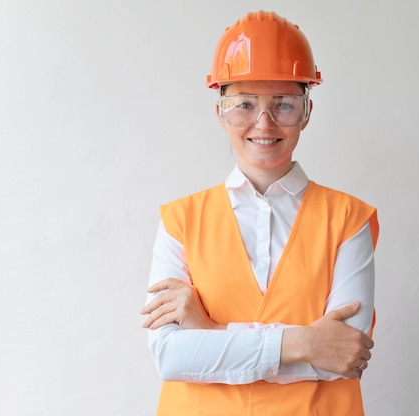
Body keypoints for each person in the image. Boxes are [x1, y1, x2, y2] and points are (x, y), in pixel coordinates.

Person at [141, 10, 379, 416]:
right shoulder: (180, 222)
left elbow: (343, 355)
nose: (264, 122)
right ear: (221, 112)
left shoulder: (348, 220)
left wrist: (211, 335)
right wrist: (303, 344)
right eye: (245, 104)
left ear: (306, 112)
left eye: (283, 104)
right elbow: (172, 357)